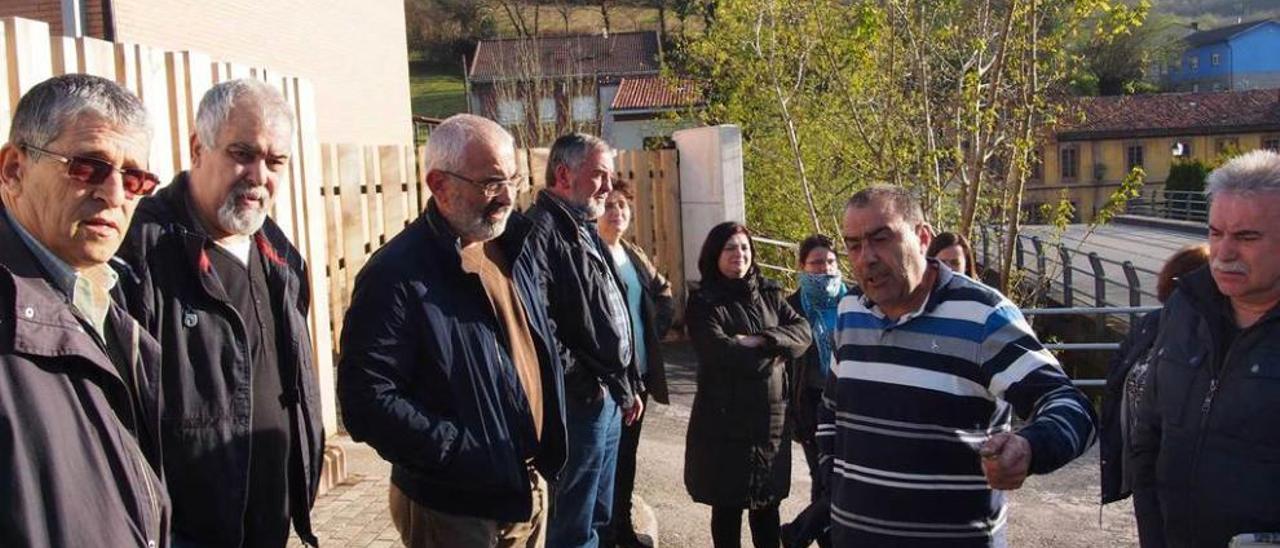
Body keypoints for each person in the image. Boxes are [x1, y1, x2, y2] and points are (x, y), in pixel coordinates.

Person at [818, 185, 1096, 547]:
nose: (865, 257)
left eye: (880, 238)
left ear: (922, 237)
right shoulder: (850, 311)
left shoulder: (982, 316)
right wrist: (833, 496)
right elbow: (832, 412)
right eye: (853, 245)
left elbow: (1073, 407)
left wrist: (1029, 448)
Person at [338, 114, 565, 548]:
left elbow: (535, 335)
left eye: (514, 179)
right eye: (491, 183)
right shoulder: (397, 274)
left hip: (525, 488)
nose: (507, 196)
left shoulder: (515, 246)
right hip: (452, 506)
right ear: (439, 185)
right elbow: (366, 399)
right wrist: (457, 451)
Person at [118, 79, 324, 547]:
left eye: (275, 162)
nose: (258, 175)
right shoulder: (141, 253)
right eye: (242, 153)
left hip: (272, 527)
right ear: (197, 147)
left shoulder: (282, 257)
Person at [0, 74, 169, 547]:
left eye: (134, 178)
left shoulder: (110, 297)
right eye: (88, 167)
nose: (115, 194)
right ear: (14, 168)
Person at [1132, 150, 1280, 547]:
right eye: (1215, 233)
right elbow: (1149, 435)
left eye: (1247, 237)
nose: (1224, 253)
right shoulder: (1185, 307)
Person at [526, 133, 643, 548]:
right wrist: (585, 387)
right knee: (574, 527)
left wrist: (624, 384)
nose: (608, 187)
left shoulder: (582, 226)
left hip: (607, 396)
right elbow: (537, 326)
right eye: (599, 175)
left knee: (598, 515)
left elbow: (610, 311)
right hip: (582, 405)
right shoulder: (539, 232)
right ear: (563, 174)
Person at [684, 221, 812, 548]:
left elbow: (802, 334)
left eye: (744, 247)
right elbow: (719, 353)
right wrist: (776, 352)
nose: (738, 254)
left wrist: (760, 340)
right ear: (715, 254)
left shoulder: (769, 294)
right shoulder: (703, 302)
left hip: (770, 425)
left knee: (767, 509)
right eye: (730, 248)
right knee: (727, 511)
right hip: (725, 425)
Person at [1099, 244, 1208, 515]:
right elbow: (1117, 384)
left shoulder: (1212, 335)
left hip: (1186, 472)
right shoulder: (1151, 325)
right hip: (1144, 465)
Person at [596, 181, 675, 548]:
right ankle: (604, 532)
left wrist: (652, 331)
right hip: (608, 379)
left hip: (638, 374)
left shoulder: (632, 253)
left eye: (623, 206)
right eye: (610, 205)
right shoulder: (592, 253)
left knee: (627, 458)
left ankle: (621, 530)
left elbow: (664, 291)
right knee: (604, 461)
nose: (617, 212)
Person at [781, 235, 845, 548]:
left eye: (830, 261)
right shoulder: (792, 307)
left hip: (852, 404)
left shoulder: (856, 301)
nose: (825, 268)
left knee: (843, 482)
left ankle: (798, 532)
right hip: (812, 407)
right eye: (817, 262)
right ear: (803, 267)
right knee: (823, 478)